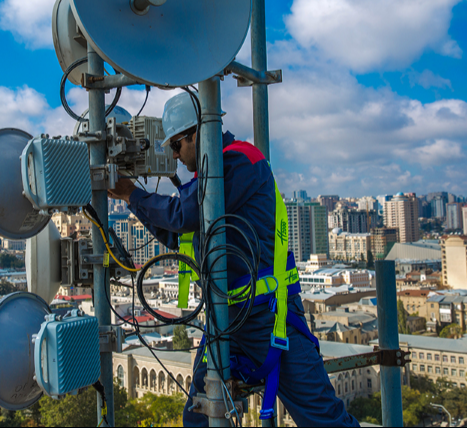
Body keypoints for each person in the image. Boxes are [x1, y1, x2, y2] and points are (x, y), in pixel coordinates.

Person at [109, 91, 358, 427]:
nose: (174, 155)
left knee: (323, 418)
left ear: (197, 133)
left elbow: (183, 214)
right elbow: (180, 234)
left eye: (177, 145)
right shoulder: (209, 178)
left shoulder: (239, 161)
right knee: (201, 414)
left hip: (267, 318)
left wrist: (132, 194)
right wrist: (134, 202)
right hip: (227, 320)